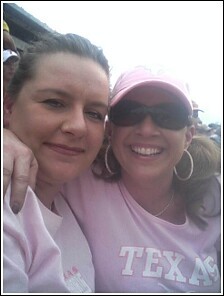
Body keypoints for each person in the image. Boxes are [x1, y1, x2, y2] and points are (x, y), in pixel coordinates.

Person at [3, 66, 221, 293]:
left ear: (188, 136)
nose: (147, 129)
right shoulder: (80, 176)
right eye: (129, 113)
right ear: (110, 129)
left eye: (168, 116)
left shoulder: (214, 194)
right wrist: (7, 137)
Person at [3, 31, 110, 292]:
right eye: (54, 102)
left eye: (94, 113)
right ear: (8, 108)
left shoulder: (66, 199)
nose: (78, 126)